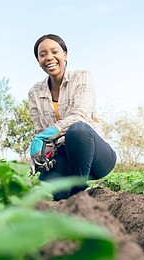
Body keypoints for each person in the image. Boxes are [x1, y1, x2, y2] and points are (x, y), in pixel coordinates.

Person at [28, 34, 117, 201]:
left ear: (65, 55)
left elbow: (80, 116)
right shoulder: (35, 92)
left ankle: (79, 193)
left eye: (55, 51)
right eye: (42, 54)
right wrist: (40, 155)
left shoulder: (82, 77)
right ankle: (66, 197)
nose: (49, 57)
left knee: (77, 130)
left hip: (93, 153)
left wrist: (48, 133)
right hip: (62, 156)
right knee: (52, 194)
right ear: (38, 61)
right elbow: (40, 132)